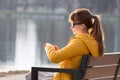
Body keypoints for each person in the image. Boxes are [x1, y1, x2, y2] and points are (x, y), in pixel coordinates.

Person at [26, 8, 105, 80]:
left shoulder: (79, 42)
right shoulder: (93, 42)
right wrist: (61, 52)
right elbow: (75, 59)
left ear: (82, 26)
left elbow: (54, 58)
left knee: (31, 74)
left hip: (66, 77)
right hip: (75, 76)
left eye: (73, 24)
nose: (71, 27)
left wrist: (48, 47)